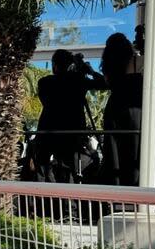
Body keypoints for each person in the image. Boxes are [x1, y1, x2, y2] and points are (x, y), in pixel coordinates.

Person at [35, 50, 105, 183]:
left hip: (48, 132)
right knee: (71, 170)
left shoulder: (44, 82)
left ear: (55, 65)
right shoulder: (78, 80)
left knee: (43, 169)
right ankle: (71, 200)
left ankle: (43, 197)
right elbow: (104, 84)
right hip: (72, 134)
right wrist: (88, 71)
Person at [99, 33, 143, 186]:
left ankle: (116, 186)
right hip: (135, 104)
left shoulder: (109, 64)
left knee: (114, 147)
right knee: (136, 145)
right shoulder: (135, 60)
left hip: (116, 104)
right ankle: (136, 183)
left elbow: (107, 83)